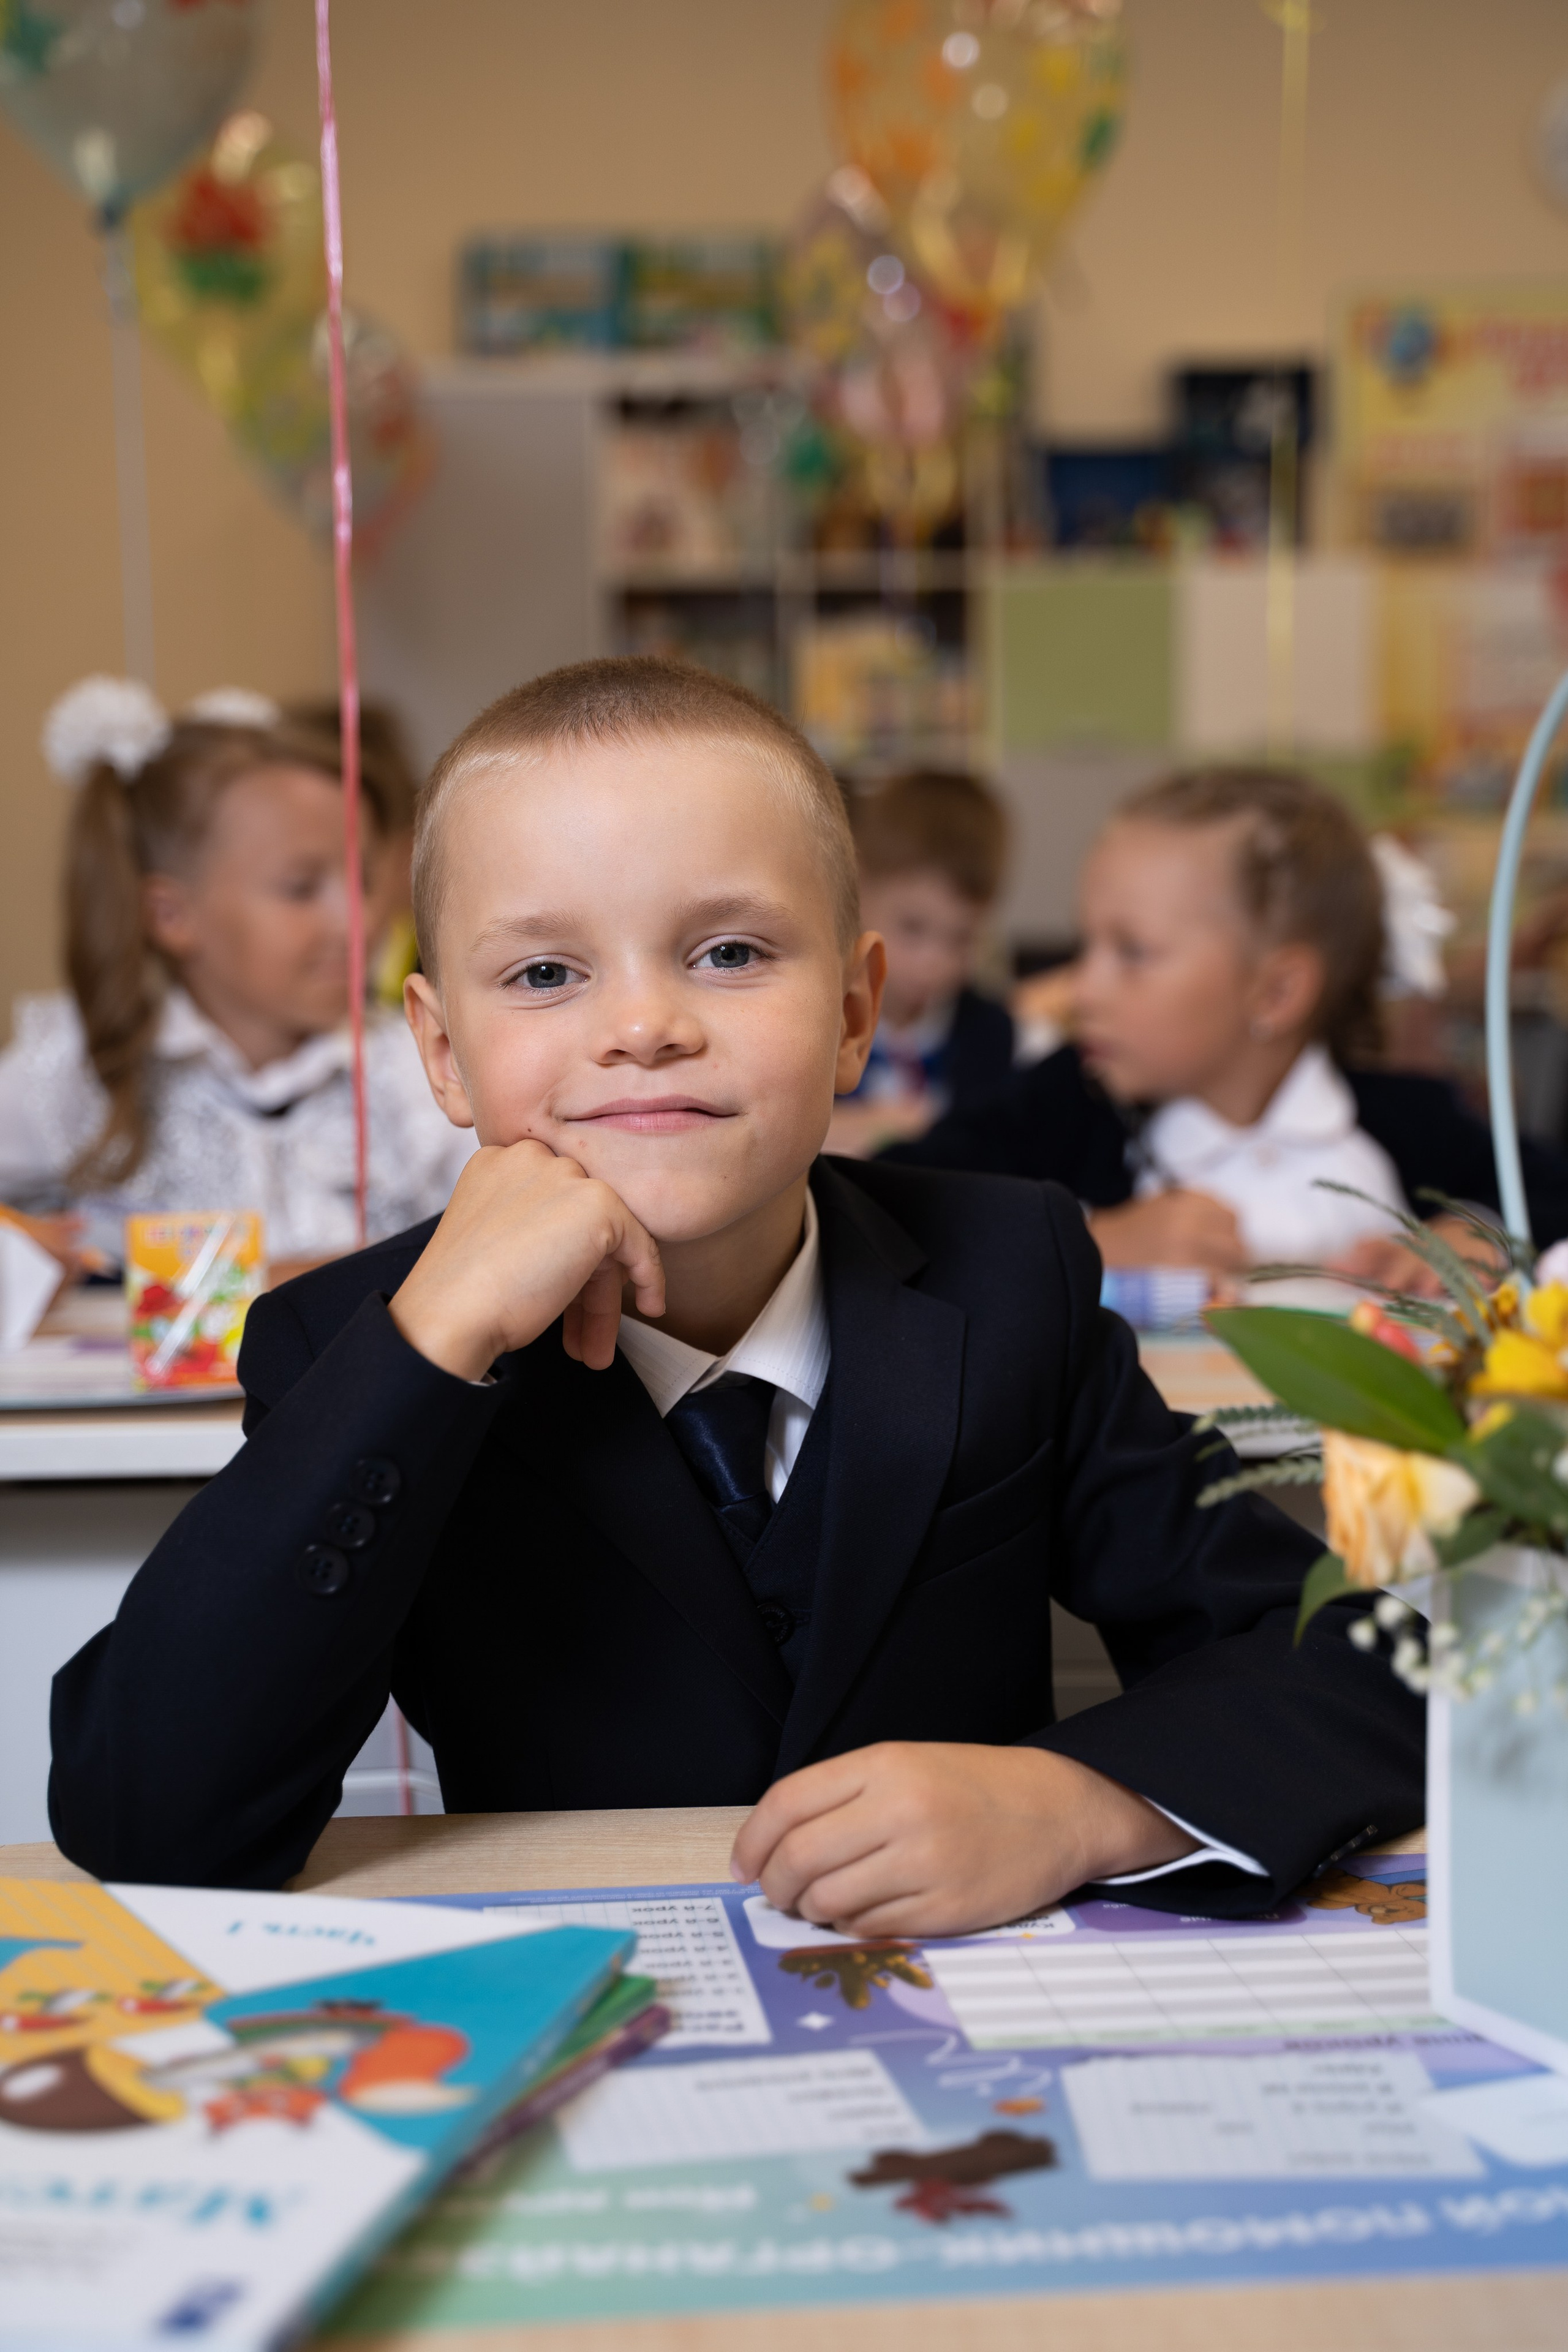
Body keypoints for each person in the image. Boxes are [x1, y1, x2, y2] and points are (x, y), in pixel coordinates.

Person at [50, 661, 1421, 1928]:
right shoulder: (360, 1343)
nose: (644, 1025)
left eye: (727, 953)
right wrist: (431, 1345)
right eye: (544, 973)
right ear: (443, 1053)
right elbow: (145, 1812)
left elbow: (1358, 1666)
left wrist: (1078, 1806)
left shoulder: (1014, 1276)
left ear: (850, 1011)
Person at [888, 767, 1568, 1278]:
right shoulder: (1065, 1104)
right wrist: (1092, 1243)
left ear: (1275, 992)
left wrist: (1472, 1238)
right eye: (1085, 945)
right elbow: (901, 1201)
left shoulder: (1402, 1120)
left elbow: (1545, 1193)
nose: (1083, 989)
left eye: (1132, 953)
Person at [0, 677, 475, 1276]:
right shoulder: (80, 1066)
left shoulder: (414, 1072)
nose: (356, 920)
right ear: (172, 916)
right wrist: (23, 1248)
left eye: (361, 883)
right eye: (301, 889)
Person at [826, 770, 1014, 1158]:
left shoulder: (988, 1032)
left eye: (961, 939)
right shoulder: (823, 1019)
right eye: (913, 928)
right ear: (858, 889)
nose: (936, 964)